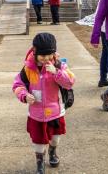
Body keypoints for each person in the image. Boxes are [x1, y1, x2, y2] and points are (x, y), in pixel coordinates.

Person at [13, 33, 75, 174]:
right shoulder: (28, 69)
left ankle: (52, 151)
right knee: (38, 142)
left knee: (55, 139)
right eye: (42, 56)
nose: (46, 59)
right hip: (37, 114)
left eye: (49, 55)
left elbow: (70, 82)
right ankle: (40, 162)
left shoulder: (59, 65)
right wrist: (24, 95)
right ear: (35, 52)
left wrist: (57, 72)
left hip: (55, 112)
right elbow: (17, 85)